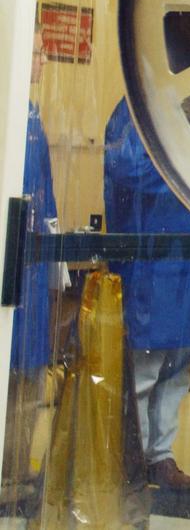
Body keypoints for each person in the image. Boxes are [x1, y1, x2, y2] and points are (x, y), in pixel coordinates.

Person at [104, 99, 190, 491]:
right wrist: (188, 169)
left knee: (177, 369)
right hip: (152, 263)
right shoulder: (136, 107)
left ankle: (160, 457)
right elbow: (125, 167)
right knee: (143, 370)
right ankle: (132, 459)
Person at [3, 30, 59, 489]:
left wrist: (56, 256)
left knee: (29, 372)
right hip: (12, 265)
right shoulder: (10, 115)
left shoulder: (32, 115)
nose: (44, 60)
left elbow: (46, 191)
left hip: (33, 265)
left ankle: (16, 468)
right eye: (38, 52)